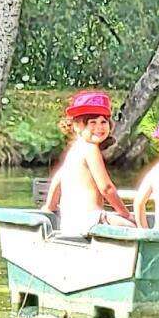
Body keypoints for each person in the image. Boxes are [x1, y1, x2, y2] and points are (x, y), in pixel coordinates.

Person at [42, 91, 134, 236]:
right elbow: (106, 188)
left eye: (103, 122)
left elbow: (57, 181)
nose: (99, 127)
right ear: (77, 126)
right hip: (90, 220)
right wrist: (126, 214)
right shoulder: (91, 149)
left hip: (70, 223)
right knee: (133, 227)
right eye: (92, 122)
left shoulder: (74, 150)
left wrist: (50, 207)